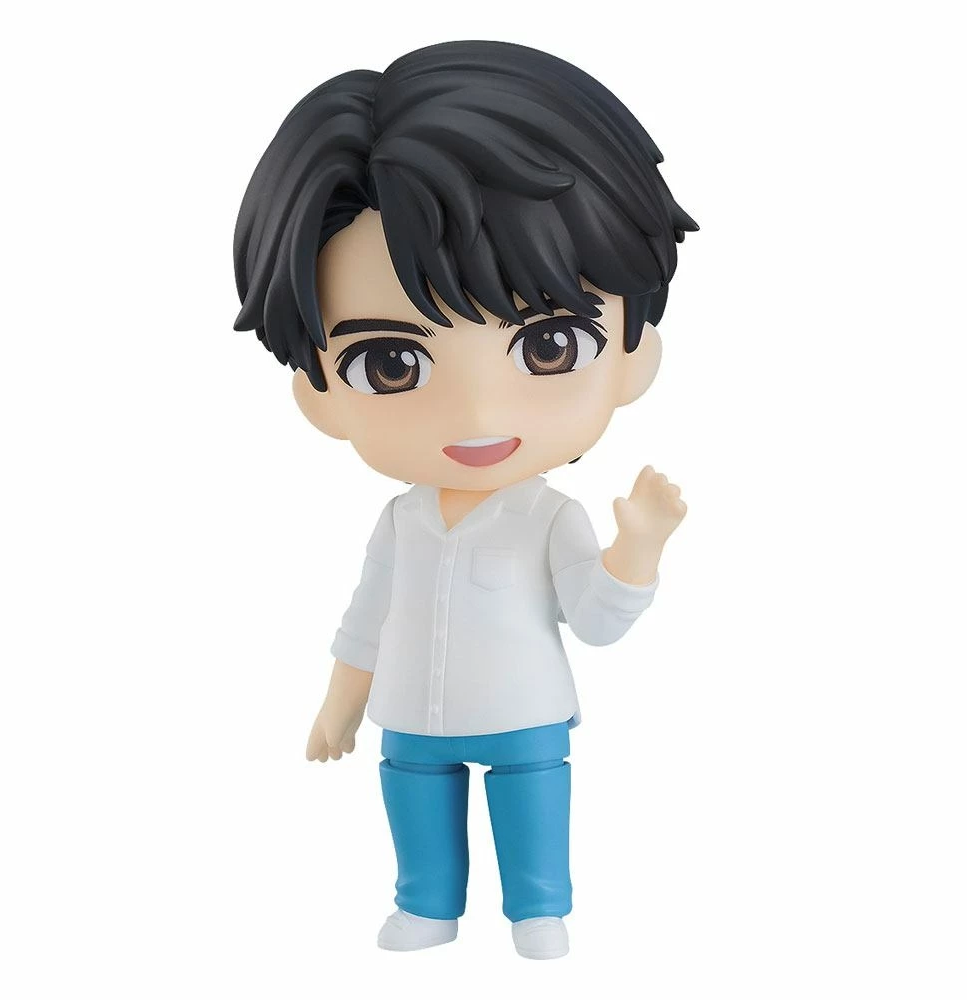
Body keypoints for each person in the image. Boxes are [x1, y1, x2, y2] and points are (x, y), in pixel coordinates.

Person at [232, 39, 696, 959]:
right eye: (390, 363)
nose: (479, 415)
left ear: (632, 357)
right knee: (414, 800)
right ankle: (427, 905)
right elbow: (367, 618)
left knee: (532, 802)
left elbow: (594, 620)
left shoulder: (549, 517)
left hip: (524, 708)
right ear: (319, 394)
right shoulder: (400, 521)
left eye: (550, 346)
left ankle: (538, 909)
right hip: (412, 711)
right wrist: (339, 704)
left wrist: (637, 550)